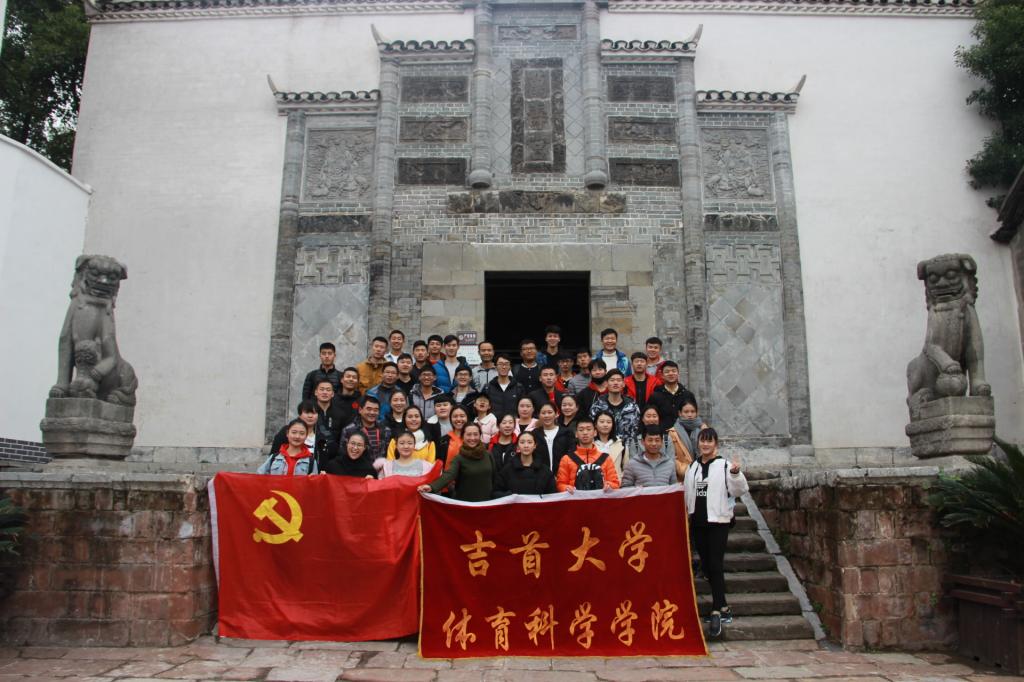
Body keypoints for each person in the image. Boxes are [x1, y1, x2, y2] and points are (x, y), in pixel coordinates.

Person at [683, 428, 747, 637]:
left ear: (716, 444)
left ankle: (717, 608)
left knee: (715, 564)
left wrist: (736, 474)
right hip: (698, 522)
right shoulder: (693, 467)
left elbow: (738, 490)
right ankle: (723, 605)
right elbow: (688, 493)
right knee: (706, 564)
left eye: (709, 441)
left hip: (718, 521)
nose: (705, 445)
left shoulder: (725, 465)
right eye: (702, 441)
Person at [419, 423, 495, 501]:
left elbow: (494, 477)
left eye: (475, 434)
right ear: (463, 437)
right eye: (469, 435)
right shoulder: (459, 458)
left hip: (487, 502)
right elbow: (449, 475)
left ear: (480, 436)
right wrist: (431, 487)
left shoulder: (488, 455)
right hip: (464, 503)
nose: (472, 438)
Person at [556, 417, 620, 492]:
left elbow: (615, 483)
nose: (585, 433)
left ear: (595, 432)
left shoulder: (606, 458)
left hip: (600, 498)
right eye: (581, 430)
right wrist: (566, 488)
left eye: (589, 429)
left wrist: (609, 485)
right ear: (576, 434)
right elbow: (560, 484)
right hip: (576, 498)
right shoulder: (566, 459)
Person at [270, 400, 334, 471]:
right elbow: (274, 454)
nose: (310, 416)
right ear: (300, 414)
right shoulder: (287, 431)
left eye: (314, 413)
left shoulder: (323, 436)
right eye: (307, 412)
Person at [589, 370, 641, 450]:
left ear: (623, 384)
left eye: (619, 380)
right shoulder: (597, 406)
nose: (615, 383)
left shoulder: (632, 407)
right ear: (606, 384)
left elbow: (635, 431)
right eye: (612, 380)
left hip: (627, 449)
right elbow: (592, 429)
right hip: (601, 448)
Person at [493, 430, 556, 496]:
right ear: (517, 446)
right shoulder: (507, 469)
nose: (526, 446)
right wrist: (510, 496)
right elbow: (496, 492)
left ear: (535, 445)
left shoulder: (545, 470)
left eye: (529, 442)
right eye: (522, 442)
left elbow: (552, 495)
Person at [340, 395, 391, 461]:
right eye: (369, 409)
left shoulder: (386, 430)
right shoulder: (349, 430)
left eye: (375, 410)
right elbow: (343, 454)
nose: (372, 412)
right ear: (360, 410)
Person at [530, 402, 573, 472]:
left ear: (556, 414)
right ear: (539, 415)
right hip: (540, 474)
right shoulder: (534, 434)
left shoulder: (566, 433)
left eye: (550, 412)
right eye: (543, 413)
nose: (546, 416)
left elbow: (571, 455)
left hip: (563, 474)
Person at [650, 361, 693, 430]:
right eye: (667, 372)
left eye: (674, 371)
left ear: (678, 373)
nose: (670, 373)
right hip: (663, 433)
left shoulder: (687, 395)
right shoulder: (655, 396)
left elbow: (694, 415)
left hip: (684, 433)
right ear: (662, 375)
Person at [311, 380, 347, 458]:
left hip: (334, 457)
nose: (325, 392)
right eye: (322, 389)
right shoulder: (309, 412)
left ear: (332, 394)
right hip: (312, 455)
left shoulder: (340, 413)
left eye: (328, 390)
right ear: (316, 392)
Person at [484, 355, 523, 420]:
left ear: (510, 367)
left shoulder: (518, 387)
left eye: (506, 364)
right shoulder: (488, 387)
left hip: (512, 423)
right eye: (500, 364)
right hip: (493, 424)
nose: (504, 367)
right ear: (495, 367)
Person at [674, 396, 710, 461]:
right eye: (686, 412)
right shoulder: (673, 432)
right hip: (682, 467)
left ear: (697, 413)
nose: (690, 415)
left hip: (701, 465)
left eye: (693, 411)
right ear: (680, 413)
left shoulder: (703, 429)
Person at [594, 410, 628, 478]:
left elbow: (626, 468)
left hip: (616, 482)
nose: (605, 425)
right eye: (602, 422)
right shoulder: (589, 444)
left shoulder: (621, 444)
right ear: (595, 424)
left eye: (609, 422)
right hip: (595, 482)